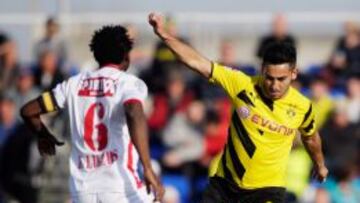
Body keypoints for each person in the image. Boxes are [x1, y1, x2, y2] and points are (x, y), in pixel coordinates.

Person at [148, 12, 328, 203]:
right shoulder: (242, 84)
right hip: (225, 186)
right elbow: (197, 62)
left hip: (267, 190)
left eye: (281, 79)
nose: (274, 85)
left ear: (294, 74)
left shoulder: (302, 106)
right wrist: (164, 35)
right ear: (262, 70)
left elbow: (311, 137)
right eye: (269, 77)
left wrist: (319, 164)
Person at [20, 25, 164, 203]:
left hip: (83, 192)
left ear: (96, 55)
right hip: (121, 188)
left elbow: (28, 111)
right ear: (126, 56)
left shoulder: (72, 85)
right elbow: (134, 111)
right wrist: (148, 167)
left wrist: (42, 134)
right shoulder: (128, 83)